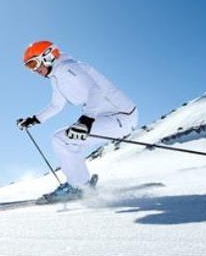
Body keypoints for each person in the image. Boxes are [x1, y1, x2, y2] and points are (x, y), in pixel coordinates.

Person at [17, 41, 138, 202]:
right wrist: (34, 119)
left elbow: (96, 90)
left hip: (121, 116)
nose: (34, 70)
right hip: (107, 117)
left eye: (33, 63)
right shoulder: (56, 77)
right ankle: (82, 186)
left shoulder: (69, 68)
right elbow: (56, 105)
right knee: (66, 140)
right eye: (29, 67)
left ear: (47, 56)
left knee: (62, 139)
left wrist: (86, 120)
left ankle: (79, 187)